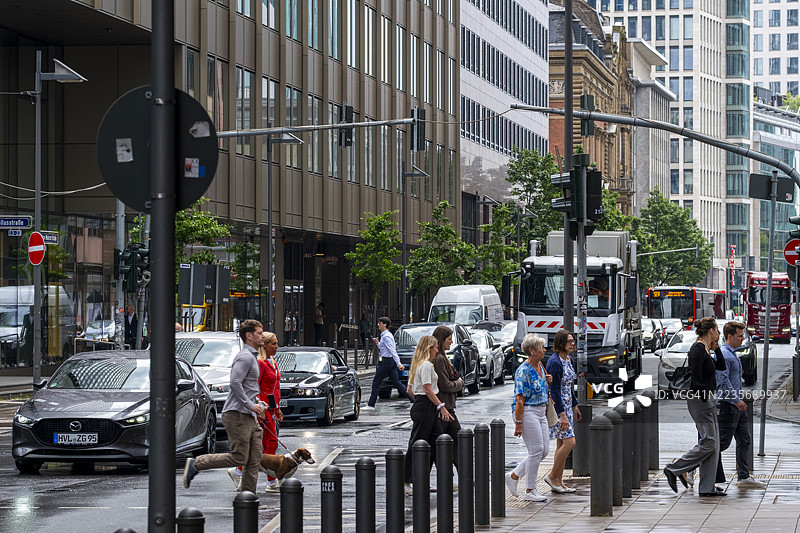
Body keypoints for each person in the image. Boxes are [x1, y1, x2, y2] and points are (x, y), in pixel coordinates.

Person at [183, 319, 266, 493]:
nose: (263, 336)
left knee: (254, 459)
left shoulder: (251, 357)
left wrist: (257, 404)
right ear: (249, 336)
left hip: (248, 415)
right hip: (237, 415)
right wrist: (251, 405)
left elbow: (246, 386)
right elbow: (235, 383)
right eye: (259, 333)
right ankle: (197, 464)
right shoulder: (244, 357)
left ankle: (248, 498)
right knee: (240, 457)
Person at [663, 316, 727, 497]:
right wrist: (707, 398)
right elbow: (697, 380)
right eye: (717, 331)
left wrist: (717, 348)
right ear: (711, 331)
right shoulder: (698, 349)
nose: (719, 334)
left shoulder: (706, 349)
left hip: (708, 400)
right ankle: (674, 469)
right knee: (710, 443)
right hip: (700, 401)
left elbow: (721, 366)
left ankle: (707, 488)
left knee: (712, 446)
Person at [228, 330, 285, 492]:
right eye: (273, 343)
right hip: (261, 409)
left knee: (258, 445)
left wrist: (276, 408)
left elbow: (274, 388)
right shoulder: (260, 363)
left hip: (270, 408)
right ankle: (271, 481)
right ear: (264, 345)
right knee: (271, 443)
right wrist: (258, 408)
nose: (277, 346)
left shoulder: (271, 361)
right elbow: (255, 388)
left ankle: (239, 470)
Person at [714, 321, 765, 488]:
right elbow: (722, 380)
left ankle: (743, 476)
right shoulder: (724, 354)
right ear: (729, 336)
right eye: (740, 336)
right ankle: (690, 467)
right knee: (721, 442)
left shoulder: (732, 353)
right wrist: (735, 400)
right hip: (728, 404)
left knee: (744, 439)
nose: (743, 339)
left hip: (737, 403)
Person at [504, 333, 553, 501]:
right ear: (531, 351)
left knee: (543, 450)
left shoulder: (541, 366)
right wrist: (518, 423)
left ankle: (514, 476)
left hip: (540, 411)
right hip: (528, 411)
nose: (544, 350)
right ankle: (529, 490)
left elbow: (541, 387)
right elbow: (519, 400)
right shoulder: (523, 371)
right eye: (541, 347)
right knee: (536, 451)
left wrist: (548, 381)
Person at [403, 335, 452, 495]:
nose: (437, 350)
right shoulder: (426, 366)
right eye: (435, 347)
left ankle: (435, 480)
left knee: (437, 442)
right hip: (426, 407)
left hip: (425, 406)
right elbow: (427, 389)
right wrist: (441, 407)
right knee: (416, 444)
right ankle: (406, 481)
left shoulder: (419, 365)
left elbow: (409, 390)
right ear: (429, 348)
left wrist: (423, 403)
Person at [543, 329, 580, 493]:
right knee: (570, 442)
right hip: (559, 408)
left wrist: (575, 405)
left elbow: (569, 386)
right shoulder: (555, 362)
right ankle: (551, 476)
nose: (572, 344)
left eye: (573, 341)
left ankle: (558, 481)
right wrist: (563, 414)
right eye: (569, 341)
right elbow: (555, 390)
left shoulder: (568, 360)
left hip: (567, 406)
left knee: (561, 443)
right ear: (560, 343)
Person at [363, 317, 414, 410]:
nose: (378, 324)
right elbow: (385, 349)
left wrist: (399, 363)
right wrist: (378, 343)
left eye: (380, 323)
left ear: (385, 324)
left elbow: (392, 350)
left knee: (376, 382)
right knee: (397, 383)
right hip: (390, 361)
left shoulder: (386, 336)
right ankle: (413, 400)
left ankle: (371, 404)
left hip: (387, 361)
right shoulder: (386, 335)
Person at [432, 325, 464, 469]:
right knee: (438, 446)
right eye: (449, 339)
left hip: (447, 407)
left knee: (457, 442)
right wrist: (459, 383)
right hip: (443, 408)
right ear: (441, 339)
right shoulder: (439, 359)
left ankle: (465, 476)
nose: (451, 342)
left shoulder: (443, 357)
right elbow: (444, 384)